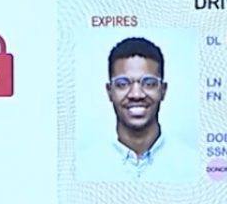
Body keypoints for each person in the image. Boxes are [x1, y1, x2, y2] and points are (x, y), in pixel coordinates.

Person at [76, 36, 200, 182]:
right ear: (110, 91)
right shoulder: (82, 169)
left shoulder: (194, 167)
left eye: (149, 83)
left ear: (163, 90)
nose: (136, 94)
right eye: (123, 84)